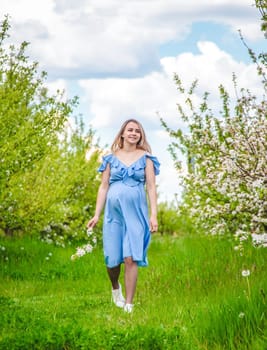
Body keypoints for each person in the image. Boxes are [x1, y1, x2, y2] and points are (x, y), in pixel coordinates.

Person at [87, 119, 160, 313]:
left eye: (137, 131)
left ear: (141, 135)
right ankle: (115, 288)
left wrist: (154, 215)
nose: (134, 133)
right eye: (130, 130)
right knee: (112, 260)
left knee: (130, 258)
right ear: (122, 134)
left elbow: (151, 187)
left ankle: (129, 304)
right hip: (114, 215)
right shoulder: (111, 158)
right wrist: (96, 214)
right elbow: (103, 187)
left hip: (137, 214)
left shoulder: (146, 159)